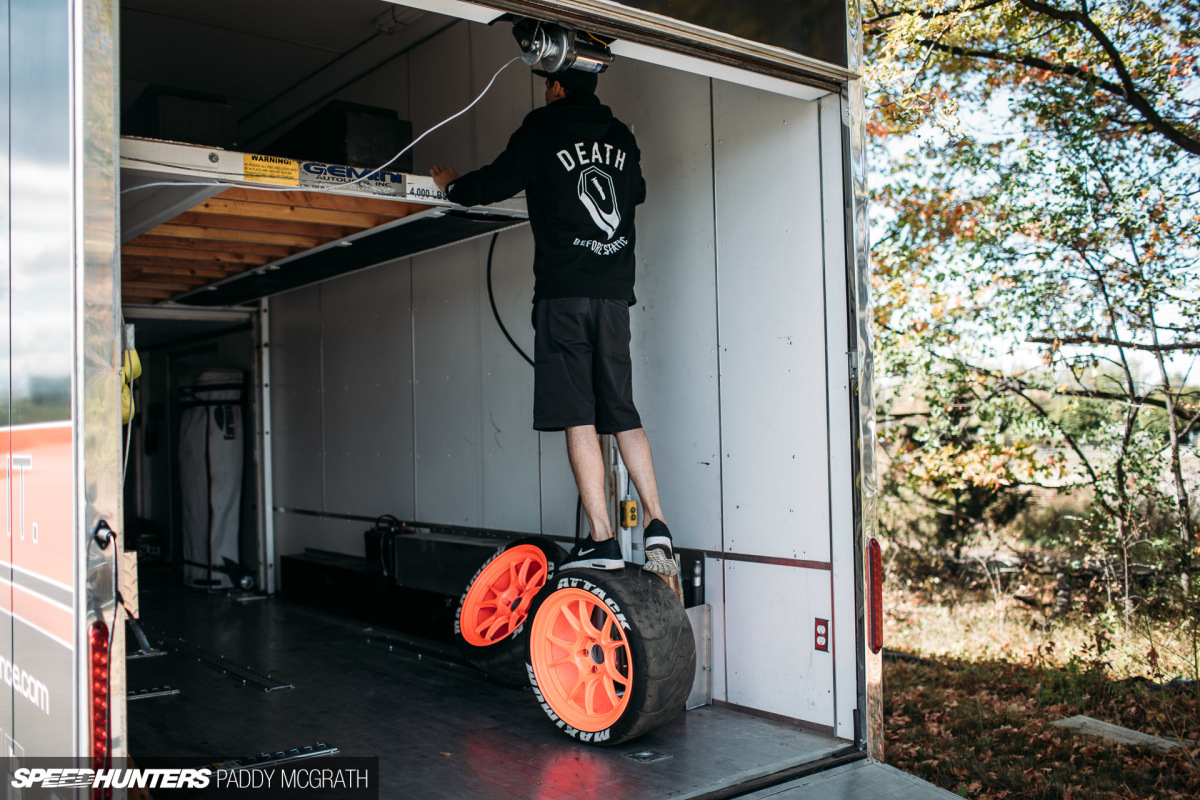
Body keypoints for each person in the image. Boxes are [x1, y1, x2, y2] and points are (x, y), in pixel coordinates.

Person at [430, 67, 676, 577]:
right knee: (622, 410)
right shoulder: (622, 134)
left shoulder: (542, 127)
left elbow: (497, 180)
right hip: (613, 295)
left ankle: (604, 540)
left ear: (557, 88)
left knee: (577, 414)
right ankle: (658, 524)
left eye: (548, 83)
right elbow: (639, 191)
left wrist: (453, 187)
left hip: (564, 294)